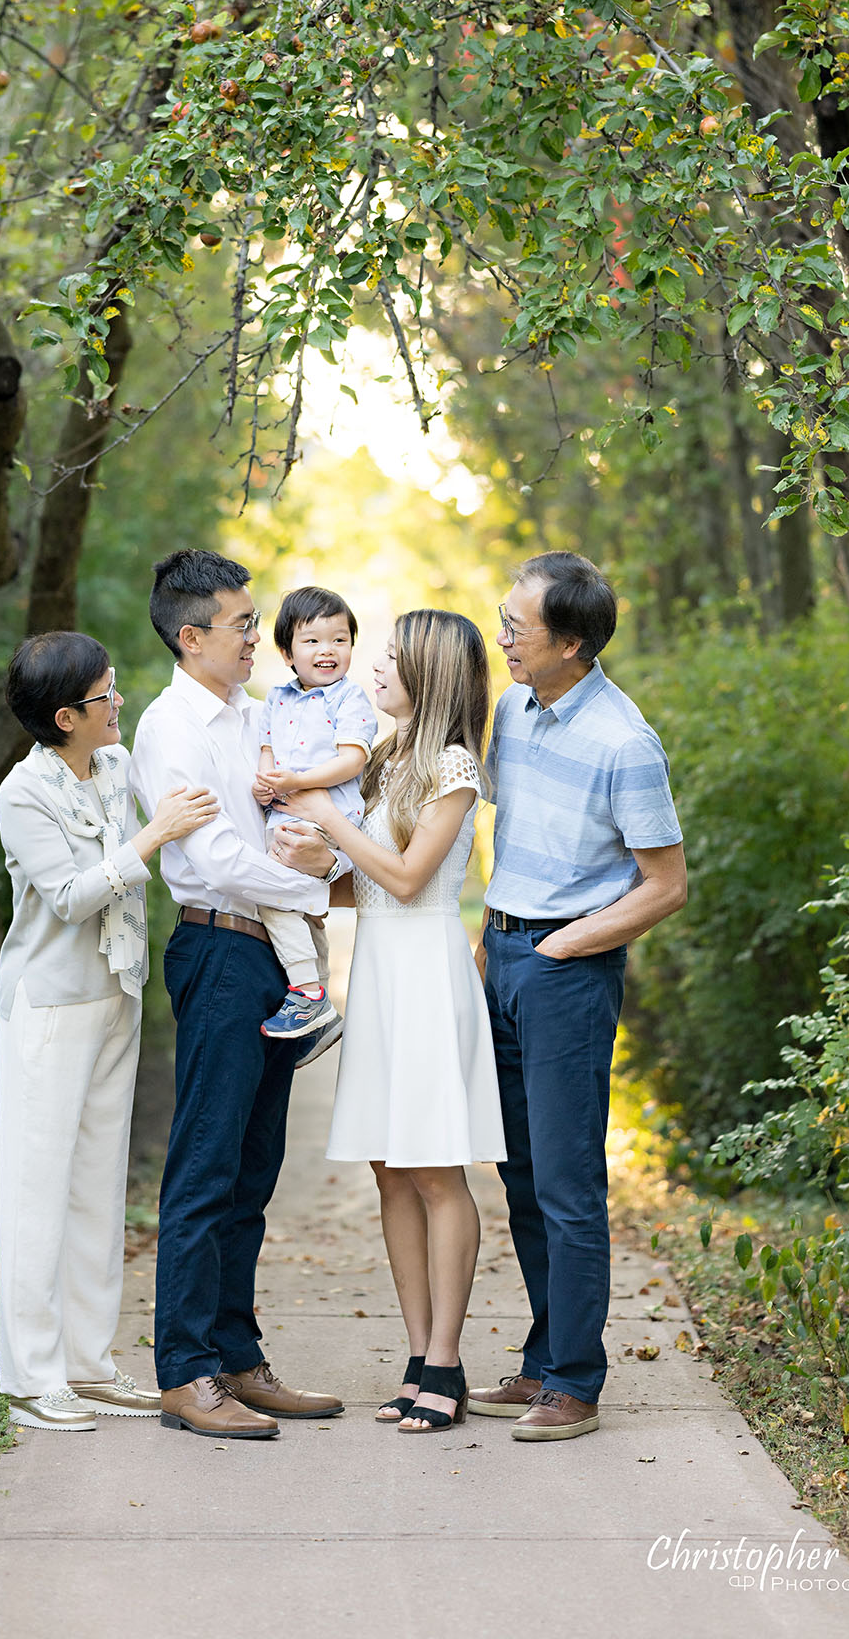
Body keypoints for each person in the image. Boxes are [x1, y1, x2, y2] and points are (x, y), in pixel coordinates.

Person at [467, 553, 687, 1443]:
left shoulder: (625, 743)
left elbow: (665, 885)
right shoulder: (514, 710)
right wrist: (494, 933)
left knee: (566, 1182)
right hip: (504, 958)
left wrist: (563, 942)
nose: (502, 635)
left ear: (572, 642)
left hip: (568, 972)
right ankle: (543, 1357)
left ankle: (576, 1383)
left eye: (517, 624)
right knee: (519, 1177)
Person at [131, 549, 346, 1440]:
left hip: (270, 958)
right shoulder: (167, 728)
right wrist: (314, 891)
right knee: (207, 1165)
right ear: (191, 636)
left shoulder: (261, 716)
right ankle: (184, 1371)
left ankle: (236, 1355)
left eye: (258, 623)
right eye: (244, 625)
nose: (261, 638)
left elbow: (302, 821)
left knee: (255, 1168)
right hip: (218, 955)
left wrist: (325, 860)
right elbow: (211, 858)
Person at [287, 609, 504, 1433]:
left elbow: (412, 879)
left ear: (433, 673)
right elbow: (367, 887)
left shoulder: (451, 764)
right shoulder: (384, 760)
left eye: (391, 659)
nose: (372, 670)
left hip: (424, 972)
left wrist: (332, 820)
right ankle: (417, 1357)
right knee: (388, 1166)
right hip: (376, 970)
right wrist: (311, 870)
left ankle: (446, 1361)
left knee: (436, 1169)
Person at [0, 630, 217, 1431]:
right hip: (50, 1006)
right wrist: (150, 839)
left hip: (115, 992)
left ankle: (88, 1365)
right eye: (104, 696)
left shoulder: (116, 766)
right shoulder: (23, 794)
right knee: (37, 1190)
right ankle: (31, 1379)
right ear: (65, 716)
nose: (118, 703)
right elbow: (68, 895)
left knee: (95, 1185)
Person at [253, 585, 378, 1043]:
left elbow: (352, 760)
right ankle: (317, 1003)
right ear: (287, 651)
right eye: (312, 641)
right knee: (303, 912)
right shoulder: (276, 698)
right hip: (282, 816)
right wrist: (265, 780)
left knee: (268, 892)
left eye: (339, 639)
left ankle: (307, 991)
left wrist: (298, 784)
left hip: (325, 820)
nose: (327, 650)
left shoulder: (350, 698)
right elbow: (267, 749)